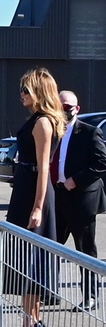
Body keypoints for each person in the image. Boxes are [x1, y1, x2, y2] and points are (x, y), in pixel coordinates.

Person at [5, 68, 65, 327]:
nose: (22, 95)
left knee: (30, 261)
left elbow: (44, 169)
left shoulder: (43, 123)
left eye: (26, 90)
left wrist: (38, 207)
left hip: (33, 192)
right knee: (26, 260)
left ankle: (30, 323)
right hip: (24, 188)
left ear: (39, 93)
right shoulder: (36, 120)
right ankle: (32, 321)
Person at [54, 90, 106, 311]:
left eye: (68, 108)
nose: (64, 112)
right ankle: (48, 291)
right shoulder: (52, 130)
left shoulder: (88, 132)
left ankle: (91, 296)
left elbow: (101, 162)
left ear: (77, 109)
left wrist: (76, 179)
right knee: (49, 244)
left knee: (84, 248)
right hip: (57, 196)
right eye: (60, 107)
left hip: (81, 197)